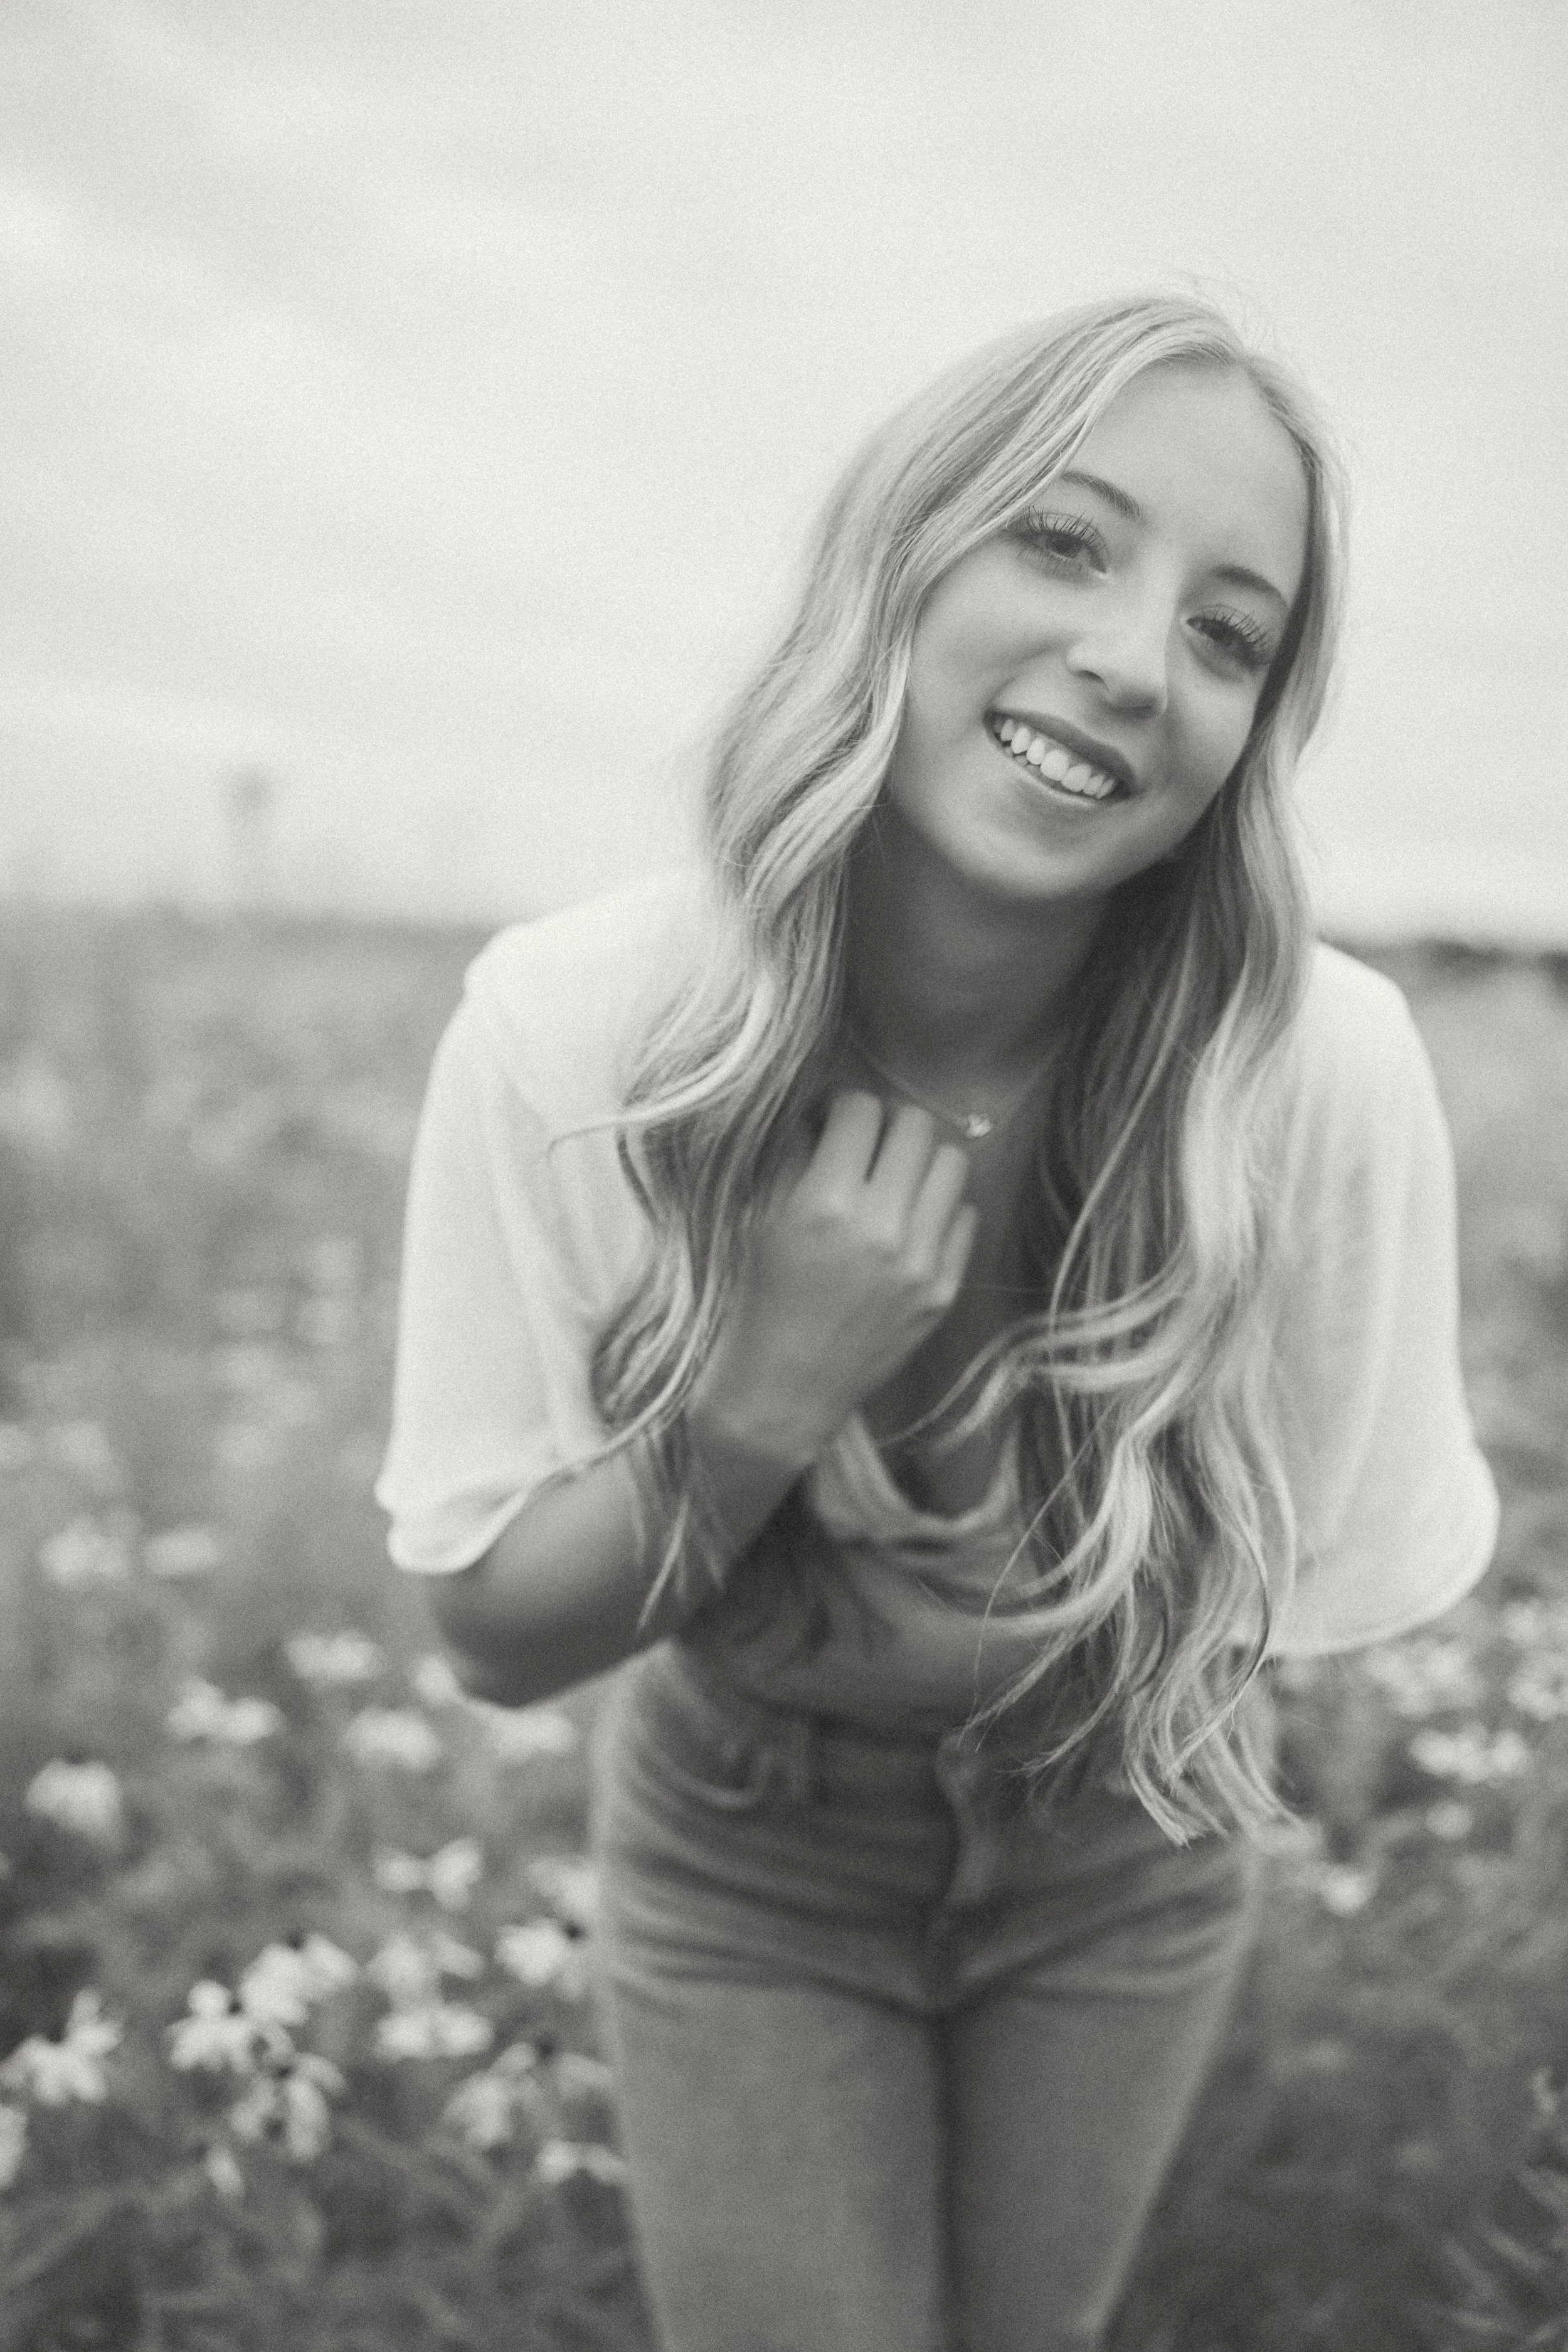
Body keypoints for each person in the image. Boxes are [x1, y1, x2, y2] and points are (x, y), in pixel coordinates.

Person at [376, 292, 1498, 2352]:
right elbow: (486, 1632)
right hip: (752, 1849)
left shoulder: (1314, 1075)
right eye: (1063, 541)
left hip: (1125, 1847)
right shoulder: (582, 1032)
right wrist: (758, 1396)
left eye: (1228, 633)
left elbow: (1311, 1603)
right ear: (904, 553)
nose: (1131, 658)